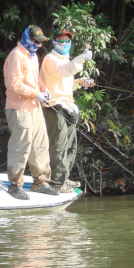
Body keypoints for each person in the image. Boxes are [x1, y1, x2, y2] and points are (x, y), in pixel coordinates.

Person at [3, 25, 60, 200]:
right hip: (19, 108)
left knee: (40, 145)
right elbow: (14, 85)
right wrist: (36, 94)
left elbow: (37, 79)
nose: (39, 45)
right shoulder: (16, 56)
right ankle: (15, 185)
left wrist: (45, 90)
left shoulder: (33, 56)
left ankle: (41, 182)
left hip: (35, 107)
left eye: (41, 42)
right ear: (27, 38)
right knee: (21, 147)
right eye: (36, 41)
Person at [40, 30, 93, 193]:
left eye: (67, 42)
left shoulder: (65, 60)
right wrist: (82, 57)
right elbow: (64, 71)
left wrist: (80, 82)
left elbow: (65, 82)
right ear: (54, 42)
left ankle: (64, 178)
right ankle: (56, 182)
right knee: (59, 146)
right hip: (54, 107)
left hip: (68, 108)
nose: (64, 44)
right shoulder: (50, 59)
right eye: (61, 41)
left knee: (71, 146)